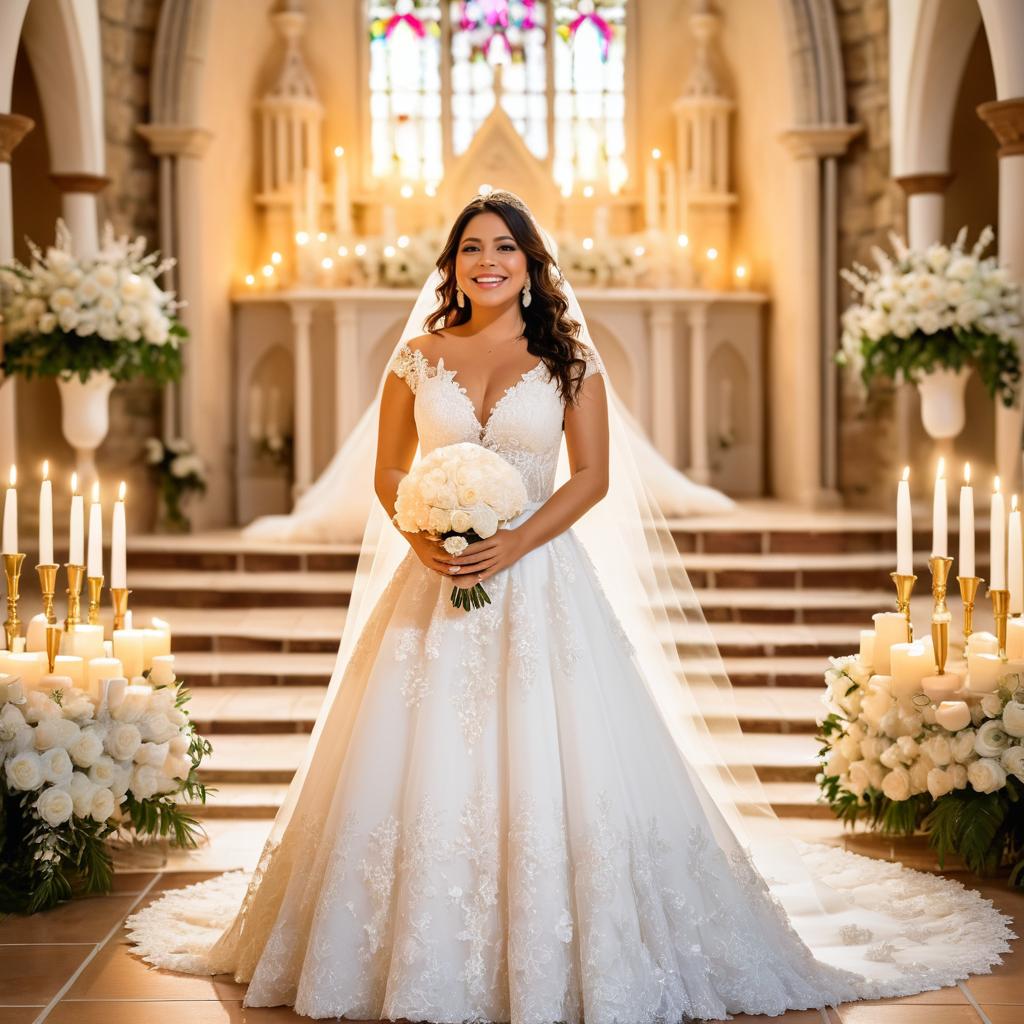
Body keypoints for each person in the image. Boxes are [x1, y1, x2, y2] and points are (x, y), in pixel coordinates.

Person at [126, 191, 1013, 1022]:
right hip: (430, 586)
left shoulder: (565, 360)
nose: (486, 261)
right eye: (471, 248)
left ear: (530, 262)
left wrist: (514, 540)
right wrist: (423, 535)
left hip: (541, 579)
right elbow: (388, 470)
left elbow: (593, 477)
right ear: (452, 264)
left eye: (503, 248)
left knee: (561, 754)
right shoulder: (417, 358)